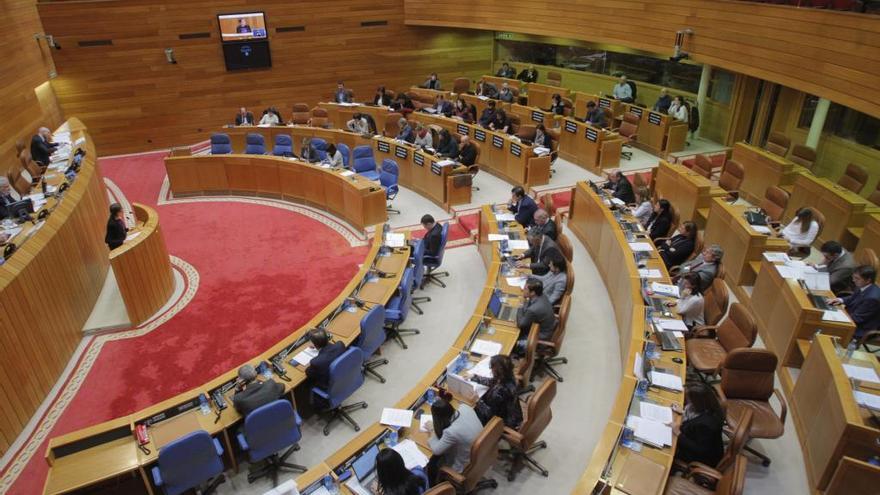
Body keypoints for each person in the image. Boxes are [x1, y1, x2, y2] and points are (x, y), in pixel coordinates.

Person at [425, 398, 482, 484]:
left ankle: (436, 486)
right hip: (482, 452)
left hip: (465, 464)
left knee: (431, 465)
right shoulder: (465, 408)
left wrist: (431, 430)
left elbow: (436, 450)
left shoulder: (451, 432)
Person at [672, 383, 725, 467]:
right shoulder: (711, 407)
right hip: (697, 440)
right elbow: (694, 417)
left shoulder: (706, 424)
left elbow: (699, 449)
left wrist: (678, 433)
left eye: (689, 399)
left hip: (701, 457)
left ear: (697, 402)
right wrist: (682, 412)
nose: (687, 401)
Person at [471, 355, 523, 428]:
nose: (490, 369)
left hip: (503, 421)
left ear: (498, 372)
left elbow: (490, 414)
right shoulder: (509, 377)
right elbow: (493, 381)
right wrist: (474, 377)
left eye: (491, 367)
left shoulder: (500, 392)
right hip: (510, 412)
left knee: (470, 410)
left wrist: (478, 401)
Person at [829, 265, 880, 339]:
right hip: (850, 315)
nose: (853, 280)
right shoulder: (864, 285)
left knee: (827, 326)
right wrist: (840, 300)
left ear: (868, 280)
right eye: (853, 277)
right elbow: (852, 297)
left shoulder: (872, 298)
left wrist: (835, 315)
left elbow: (857, 318)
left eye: (857, 278)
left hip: (860, 328)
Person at [305, 329, 346, 396]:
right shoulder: (340, 345)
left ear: (313, 344)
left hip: (328, 386)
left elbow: (308, 373)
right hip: (344, 376)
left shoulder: (316, 362)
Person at [515, 278, 557, 343]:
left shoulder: (533, 309)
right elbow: (528, 303)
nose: (523, 290)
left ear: (533, 293)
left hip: (538, 338)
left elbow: (520, 324)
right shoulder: (542, 295)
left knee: (512, 337)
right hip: (544, 329)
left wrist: (520, 305)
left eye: (525, 289)